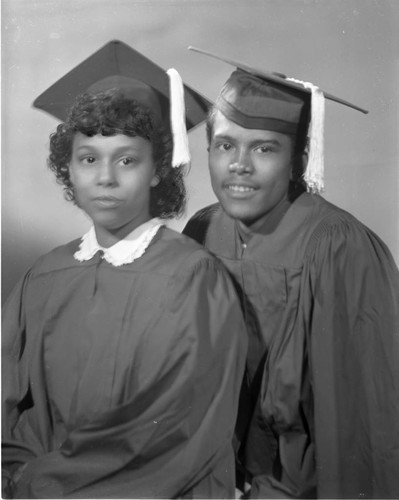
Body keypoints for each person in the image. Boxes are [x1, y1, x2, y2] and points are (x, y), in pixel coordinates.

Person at [2, 41, 247, 499]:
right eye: (89, 158)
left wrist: (46, 481)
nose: (106, 178)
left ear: (158, 170)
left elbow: (180, 429)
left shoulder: (194, 277)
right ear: (68, 170)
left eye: (127, 159)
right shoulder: (46, 275)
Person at [183, 48, 399, 499]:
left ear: (298, 159)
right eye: (225, 145)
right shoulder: (202, 229)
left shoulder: (338, 245)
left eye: (264, 148)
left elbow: (360, 421)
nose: (239, 165)